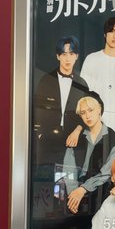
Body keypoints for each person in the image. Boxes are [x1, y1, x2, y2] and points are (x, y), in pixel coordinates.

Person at [33, 35, 89, 167]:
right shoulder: (46, 80)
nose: (68, 58)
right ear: (58, 56)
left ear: (76, 56)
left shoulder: (82, 84)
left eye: (71, 54)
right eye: (64, 54)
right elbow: (37, 109)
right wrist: (41, 134)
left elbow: (86, 113)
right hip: (49, 140)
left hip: (75, 140)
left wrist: (78, 131)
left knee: (73, 175)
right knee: (46, 175)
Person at [80, 16, 115, 138]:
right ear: (105, 34)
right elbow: (83, 94)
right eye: (112, 31)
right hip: (96, 118)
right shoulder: (92, 59)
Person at [65, 93, 115, 214]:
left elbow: (106, 173)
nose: (87, 116)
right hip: (76, 195)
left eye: (90, 110)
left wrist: (83, 189)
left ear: (99, 110)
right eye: (83, 112)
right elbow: (68, 168)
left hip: (102, 194)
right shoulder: (75, 137)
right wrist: (73, 193)